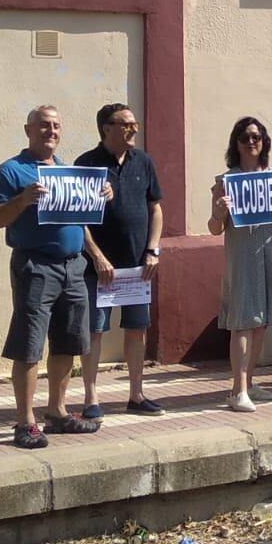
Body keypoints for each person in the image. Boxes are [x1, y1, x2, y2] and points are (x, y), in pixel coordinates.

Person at [0, 105, 112, 448]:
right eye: (43, 125)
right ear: (28, 130)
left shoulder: (67, 172)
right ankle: (25, 422)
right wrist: (23, 200)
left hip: (73, 266)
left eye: (56, 125)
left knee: (68, 342)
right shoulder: (10, 171)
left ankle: (57, 412)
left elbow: (80, 222)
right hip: (35, 266)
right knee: (29, 346)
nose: (51, 131)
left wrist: (100, 199)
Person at [208, 116, 272, 412]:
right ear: (235, 144)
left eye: (256, 137)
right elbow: (215, 228)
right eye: (245, 137)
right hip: (243, 257)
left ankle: (249, 382)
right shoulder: (226, 181)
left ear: (264, 142)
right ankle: (237, 390)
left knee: (263, 321)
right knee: (243, 321)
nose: (251, 142)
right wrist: (219, 211)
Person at [75, 103, 163, 419]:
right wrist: (97, 256)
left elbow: (155, 208)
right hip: (98, 269)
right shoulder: (86, 164)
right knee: (94, 331)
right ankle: (91, 399)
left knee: (137, 329)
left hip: (137, 266)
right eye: (126, 124)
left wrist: (153, 250)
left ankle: (136, 395)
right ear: (106, 128)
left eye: (134, 123)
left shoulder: (144, 161)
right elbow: (77, 220)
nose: (134, 129)